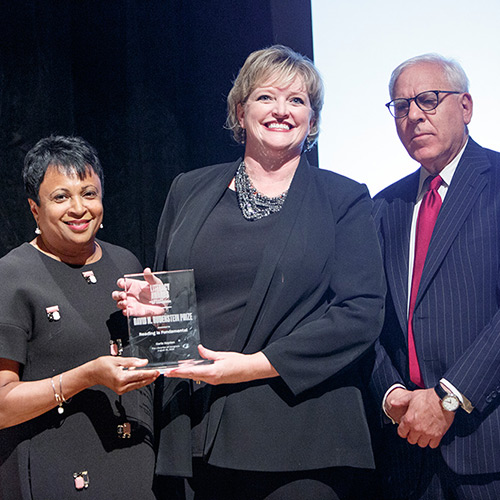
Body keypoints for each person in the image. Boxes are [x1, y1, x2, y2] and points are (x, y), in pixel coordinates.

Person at [116, 45, 385, 499]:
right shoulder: (189, 189)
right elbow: (170, 296)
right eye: (266, 97)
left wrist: (252, 368)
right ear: (240, 111)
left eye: (297, 101)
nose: (281, 110)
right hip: (197, 430)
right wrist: (151, 309)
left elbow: (361, 313)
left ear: (313, 121)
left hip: (300, 436)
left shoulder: (344, 198)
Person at [0, 135, 160, 499]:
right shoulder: (11, 277)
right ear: (34, 209)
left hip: (132, 469)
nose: (79, 208)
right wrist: (86, 376)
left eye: (89, 193)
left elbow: (150, 367)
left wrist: (163, 319)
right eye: (61, 197)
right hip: (52, 475)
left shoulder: (127, 264)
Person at [370, 53, 500, 499]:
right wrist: (391, 395)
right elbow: (370, 316)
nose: (413, 116)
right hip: (407, 454)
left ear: (465, 107)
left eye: (428, 99)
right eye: (401, 107)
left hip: (487, 447)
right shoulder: (385, 206)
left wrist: (450, 398)